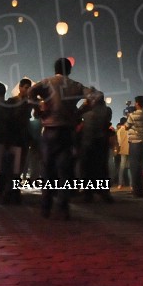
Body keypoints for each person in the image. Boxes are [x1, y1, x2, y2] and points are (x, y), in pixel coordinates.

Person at [28, 58, 101, 219]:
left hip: (49, 129)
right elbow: (96, 96)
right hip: (67, 131)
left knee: (47, 169)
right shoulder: (76, 85)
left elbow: (30, 92)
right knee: (64, 171)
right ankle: (63, 207)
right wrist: (79, 112)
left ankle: (46, 206)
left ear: (55, 69)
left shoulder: (47, 82)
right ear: (69, 70)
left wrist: (38, 109)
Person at [0, 78, 32, 203]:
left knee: (17, 169)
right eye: (25, 87)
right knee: (7, 167)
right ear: (20, 88)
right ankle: (5, 192)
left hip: (21, 139)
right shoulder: (12, 102)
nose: (27, 90)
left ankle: (12, 192)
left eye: (29, 88)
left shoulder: (28, 103)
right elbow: (8, 120)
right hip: (11, 138)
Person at [79, 94, 114, 202]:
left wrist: (84, 105)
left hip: (87, 143)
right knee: (103, 168)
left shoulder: (87, 112)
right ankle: (104, 193)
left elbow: (76, 114)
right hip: (102, 143)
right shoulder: (107, 110)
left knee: (87, 169)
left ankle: (88, 194)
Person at [125, 95, 143, 197]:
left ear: (137, 103)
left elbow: (126, 127)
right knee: (140, 167)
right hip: (142, 142)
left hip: (134, 143)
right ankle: (141, 190)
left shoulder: (132, 115)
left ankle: (136, 192)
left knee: (134, 168)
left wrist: (128, 117)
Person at [114, 119, 130, 190]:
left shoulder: (119, 130)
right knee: (130, 167)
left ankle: (120, 184)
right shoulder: (129, 130)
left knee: (122, 167)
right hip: (130, 149)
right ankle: (131, 185)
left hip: (122, 149)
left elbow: (119, 141)